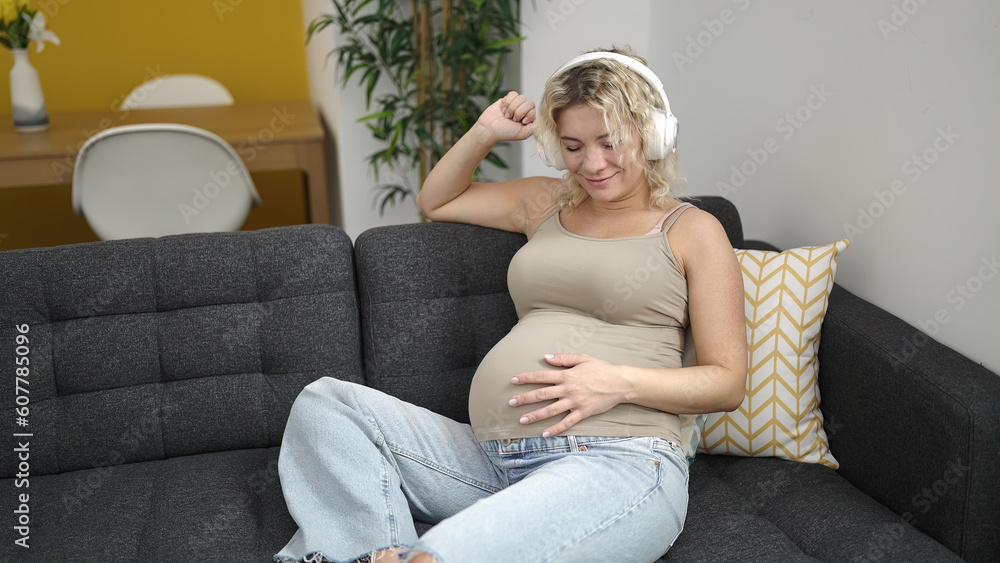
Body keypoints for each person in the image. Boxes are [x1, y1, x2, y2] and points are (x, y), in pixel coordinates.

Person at [274, 47, 747, 563]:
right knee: (327, 405)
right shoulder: (547, 202)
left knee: (439, 556)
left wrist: (617, 381)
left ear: (654, 136)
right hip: (488, 461)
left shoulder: (693, 231)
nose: (592, 164)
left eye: (610, 143)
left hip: (619, 460)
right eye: (572, 146)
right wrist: (485, 132)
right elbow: (438, 201)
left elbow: (727, 381)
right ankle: (369, 553)